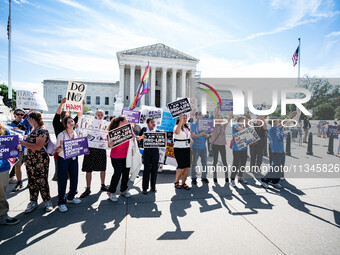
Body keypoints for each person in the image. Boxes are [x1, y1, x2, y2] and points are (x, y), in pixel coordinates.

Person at [19, 111, 53, 213]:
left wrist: (23, 142)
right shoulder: (34, 130)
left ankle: (47, 201)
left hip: (40, 160)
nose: (27, 120)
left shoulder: (42, 131)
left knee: (42, 181)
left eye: (28, 118)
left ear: (32, 119)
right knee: (32, 181)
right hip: (31, 160)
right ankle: (33, 201)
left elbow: (38, 146)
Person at [261, 113, 296, 189]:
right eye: (277, 121)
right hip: (276, 152)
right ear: (273, 122)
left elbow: (286, 123)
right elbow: (283, 123)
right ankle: (264, 180)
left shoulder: (279, 129)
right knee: (274, 168)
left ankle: (274, 182)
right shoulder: (272, 129)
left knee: (279, 168)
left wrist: (294, 117)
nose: (279, 121)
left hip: (281, 151)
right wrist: (291, 115)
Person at [52, 97, 83, 181]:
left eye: (69, 116)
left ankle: (71, 190)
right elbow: (57, 114)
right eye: (65, 116)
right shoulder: (57, 124)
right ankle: (61, 191)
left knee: (71, 173)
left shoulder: (72, 123)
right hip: (61, 151)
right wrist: (62, 104)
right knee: (60, 174)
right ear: (61, 117)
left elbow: (79, 115)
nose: (67, 119)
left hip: (72, 151)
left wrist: (81, 105)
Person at [55, 117, 82, 212]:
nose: (71, 123)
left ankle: (71, 197)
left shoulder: (75, 133)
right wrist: (61, 147)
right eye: (69, 122)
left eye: (72, 121)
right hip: (63, 159)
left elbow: (79, 145)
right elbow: (57, 150)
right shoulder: (61, 135)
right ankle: (61, 202)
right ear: (65, 124)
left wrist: (84, 149)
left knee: (74, 178)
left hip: (74, 158)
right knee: (62, 180)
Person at [80, 110, 109, 198]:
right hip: (90, 149)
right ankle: (88, 188)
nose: (100, 116)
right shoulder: (90, 124)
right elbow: (84, 135)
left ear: (104, 115)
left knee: (103, 168)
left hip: (101, 148)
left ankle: (103, 185)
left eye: (101, 114)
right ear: (95, 115)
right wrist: (85, 148)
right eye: (98, 114)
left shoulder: (107, 125)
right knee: (88, 169)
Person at [107, 116, 133, 202]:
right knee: (117, 173)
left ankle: (123, 190)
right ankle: (111, 191)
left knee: (126, 173)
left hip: (126, 156)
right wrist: (113, 141)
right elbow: (110, 145)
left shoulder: (128, 130)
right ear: (121, 122)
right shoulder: (112, 132)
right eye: (126, 120)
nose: (128, 121)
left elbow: (133, 140)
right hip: (116, 156)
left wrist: (133, 136)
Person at [0, 122, 20, 225]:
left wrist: (18, 148)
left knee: (1, 194)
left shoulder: (5, 130)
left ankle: (3, 216)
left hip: (2, 168)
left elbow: (13, 145)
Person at [7, 108, 31, 191]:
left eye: (22, 114)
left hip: (27, 147)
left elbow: (31, 111)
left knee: (29, 165)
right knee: (18, 166)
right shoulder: (10, 124)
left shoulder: (26, 122)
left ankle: (30, 182)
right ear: (14, 114)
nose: (20, 116)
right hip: (17, 148)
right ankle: (19, 182)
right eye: (18, 114)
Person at [210, 107, 233, 183]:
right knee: (215, 161)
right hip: (215, 145)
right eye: (218, 119)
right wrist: (217, 111)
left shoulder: (223, 126)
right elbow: (214, 118)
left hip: (222, 145)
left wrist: (232, 111)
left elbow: (229, 119)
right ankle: (214, 176)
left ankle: (226, 176)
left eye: (221, 119)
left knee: (224, 161)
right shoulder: (214, 125)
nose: (220, 120)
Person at [139, 118, 159, 194]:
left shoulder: (157, 131)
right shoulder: (144, 129)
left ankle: (153, 186)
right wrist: (142, 137)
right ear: (147, 123)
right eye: (152, 122)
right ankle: (144, 188)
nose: (154, 124)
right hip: (146, 152)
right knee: (146, 169)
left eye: (154, 122)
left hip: (155, 152)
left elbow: (161, 140)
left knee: (154, 169)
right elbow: (138, 138)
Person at [173, 114, 191, 190]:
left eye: (185, 118)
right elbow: (177, 132)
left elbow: (189, 137)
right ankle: (176, 182)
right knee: (181, 167)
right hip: (179, 149)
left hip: (187, 148)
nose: (185, 119)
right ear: (179, 119)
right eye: (183, 118)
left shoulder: (187, 127)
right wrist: (180, 121)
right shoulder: (177, 126)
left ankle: (183, 183)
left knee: (187, 167)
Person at [190, 112, 209, 185]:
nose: (201, 116)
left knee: (204, 163)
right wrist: (203, 133)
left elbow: (206, 136)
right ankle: (194, 178)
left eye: (201, 115)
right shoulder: (194, 125)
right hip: (195, 147)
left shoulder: (204, 125)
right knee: (194, 163)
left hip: (203, 147)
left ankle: (204, 177)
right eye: (199, 115)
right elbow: (194, 135)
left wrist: (209, 134)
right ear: (196, 116)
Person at [230, 116, 249, 187]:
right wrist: (246, 128)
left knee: (243, 163)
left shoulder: (246, 127)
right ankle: (232, 179)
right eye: (243, 120)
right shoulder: (235, 126)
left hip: (244, 148)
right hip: (236, 149)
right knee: (236, 164)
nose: (245, 122)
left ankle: (240, 177)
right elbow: (239, 129)